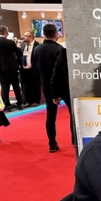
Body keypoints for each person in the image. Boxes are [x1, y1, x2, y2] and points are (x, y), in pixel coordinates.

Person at [32, 23, 71, 152]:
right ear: (55, 34)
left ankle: (52, 144)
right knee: (72, 113)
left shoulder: (37, 49)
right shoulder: (60, 49)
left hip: (46, 86)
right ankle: (74, 140)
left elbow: (35, 68)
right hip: (63, 86)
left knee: (50, 116)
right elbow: (62, 71)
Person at [0, 25, 23, 111]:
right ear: (5, 32)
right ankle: (20, 103)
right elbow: (19, 53)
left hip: (1, 68)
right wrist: (18, 45)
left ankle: (7, 104)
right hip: (13, 67)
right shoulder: (10, 42)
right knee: (16, 86)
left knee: (4, 87)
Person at [19, 31, 41, 107]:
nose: (23, 37)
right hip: (24, 69)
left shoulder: (37, 45)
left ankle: (36, 100)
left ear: (30, 37)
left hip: (34, 69)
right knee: (26, 86)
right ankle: (28, 101)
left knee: (35, 85)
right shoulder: (22, 45)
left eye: (25, 36)